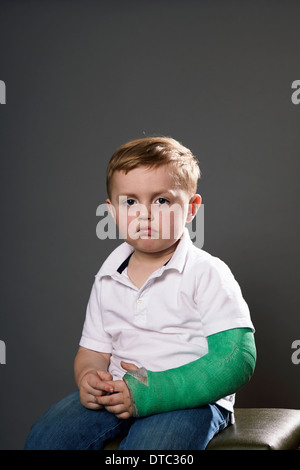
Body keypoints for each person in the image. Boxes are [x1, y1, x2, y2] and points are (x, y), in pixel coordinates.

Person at [24, 136, 256, 450]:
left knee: (153, 447)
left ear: (191, 208)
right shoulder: (108, 277)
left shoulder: (206, 272)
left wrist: (153, 392)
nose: (144, 214)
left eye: (161, 200)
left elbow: (236, 358)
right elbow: (93, 351)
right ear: (111, 210)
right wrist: (89, 377)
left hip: (190, 400)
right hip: (120, 391)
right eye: (130, 201)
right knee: (47, 437)